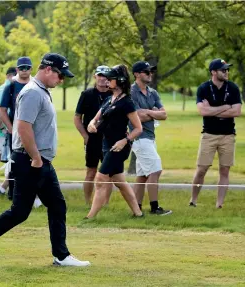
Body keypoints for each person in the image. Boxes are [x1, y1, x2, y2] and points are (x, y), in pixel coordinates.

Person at [0, 53, 90, 267]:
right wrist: (36, 158)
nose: (62, 81)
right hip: (30, 160)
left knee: (57, 205)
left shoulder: (41, 91)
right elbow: (22, 127)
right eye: (60, 76)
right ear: (48, 69)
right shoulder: (32, 93)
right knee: (20, 212)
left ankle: (61, 255)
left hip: (39, 160)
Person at [85, 65, 143, 219]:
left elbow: (138, 128)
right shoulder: (108, 99)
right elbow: (96, 118)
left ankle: (90, 217)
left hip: (119, 147)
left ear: (120, 81)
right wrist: (91, 124)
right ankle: (138, 213)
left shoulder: (127, 102)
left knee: (101, 178)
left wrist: (125, 141)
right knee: (119, 181)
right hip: (106, 144)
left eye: (110, 78)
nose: (106, 80)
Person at [190, 59, 242, 208]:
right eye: (223, 70)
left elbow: (237, 111)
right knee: (202, 169)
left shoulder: (232, 88)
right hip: (209, 135)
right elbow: (202, 111)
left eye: (227, 70)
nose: (226, 72)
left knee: (224, 170)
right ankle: (193, 200)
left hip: (228, 135)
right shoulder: (203, 88)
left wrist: (213, 111)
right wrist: (226, 107)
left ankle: (219, 204)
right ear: (213, 72)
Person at [130, 61, 172, 215]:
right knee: (156, 170)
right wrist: (153, 113)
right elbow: (135, 117)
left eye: (151, 72)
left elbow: (164, 114)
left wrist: (147, 113)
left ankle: (137, 208)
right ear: (136, 74)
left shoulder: (153, 92)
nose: (150, 74)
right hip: (139, 138)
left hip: (150, 138)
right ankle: (155, 208)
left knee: (141, 176)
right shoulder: (131, 92)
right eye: (146, 72)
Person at [0, 57, 34, 201]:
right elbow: (2, 110)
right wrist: (11, 129)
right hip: (15, 131)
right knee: (15, 162)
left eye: (26, 68)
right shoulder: (11, 85)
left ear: (31, 69)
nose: (24, 71)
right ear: (17, 69)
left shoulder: (35, 85)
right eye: (21, 68)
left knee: (35, 160)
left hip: (34, 129)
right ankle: (13, 194)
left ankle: (34, 194)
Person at [74, 65, 113, 205]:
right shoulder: (87, 94)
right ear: (95, 77)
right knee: (91, 171)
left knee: (109, 173)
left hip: (110, 140)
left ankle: (105, 204)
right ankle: (87, 202)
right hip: (92, 140)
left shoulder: (115, 95)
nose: (103, 78)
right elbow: (77, 117)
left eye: (106, 76)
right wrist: (85, 136)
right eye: (100, 75)